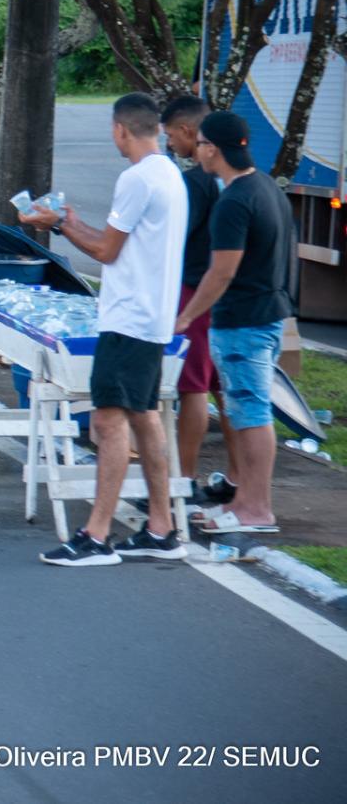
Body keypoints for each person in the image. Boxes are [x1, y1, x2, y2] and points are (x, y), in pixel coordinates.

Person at [21, 94, 188, 566]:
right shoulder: (170, 174)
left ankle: (96, 536)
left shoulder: (135, 179)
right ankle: (162, 528)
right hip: (152, 317)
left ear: (121, 130)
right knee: (144, 416)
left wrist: (57, 225)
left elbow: (105, 253)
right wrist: (69, 224)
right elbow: (115, 242)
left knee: (107, 421)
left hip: (129, 318)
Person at [173, 110, 297, 536]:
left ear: (215, 149)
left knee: (250, 414)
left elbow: (222, 272)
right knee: (246, 411)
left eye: (203, 144)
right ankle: (244, 501)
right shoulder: (267, 188)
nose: (198, 152)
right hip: (266, 315)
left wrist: (187, 316)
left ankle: (256, 509)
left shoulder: (233, 200)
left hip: (243, 320)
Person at [160, 95, 226, 492]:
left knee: (193, 386)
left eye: (170, 135)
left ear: (190, 132)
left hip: (195, 290)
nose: (170, 144)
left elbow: (174, 238)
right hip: (231, 296)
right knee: (225, 387)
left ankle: (183, 477)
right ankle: (237, 476)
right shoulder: (242, 180)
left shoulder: (195, 184)